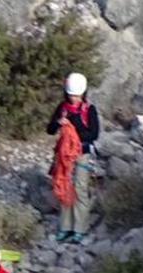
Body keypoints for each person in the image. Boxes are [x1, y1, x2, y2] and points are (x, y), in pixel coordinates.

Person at [47, 72, 100, 244]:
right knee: (64, 187)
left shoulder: (89, 110)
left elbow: (93, 134)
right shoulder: (62, 108)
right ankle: (65, 227)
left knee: (79, 189)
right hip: (64, 156)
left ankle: (79, 229)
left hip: (81, 154)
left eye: (76, 95)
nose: (73, 99)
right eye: (71, 95)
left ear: (83, 93)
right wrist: (58, 123)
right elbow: (50, 129)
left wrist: (73, 126)